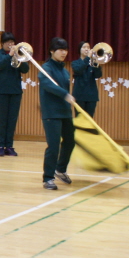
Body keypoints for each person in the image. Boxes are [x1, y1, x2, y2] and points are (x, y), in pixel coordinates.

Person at [39, 37, 77, 191]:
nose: (64, 53)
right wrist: (65, 94)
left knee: (70, 141)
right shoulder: (45, 68)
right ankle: (48, 178)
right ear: (52, 51)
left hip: (65, 112)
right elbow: (47, 85)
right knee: (54, 146)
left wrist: (67, 97)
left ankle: (60, 169)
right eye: (60, 50)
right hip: (51, 113)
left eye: (65, 50)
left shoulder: (65, 71)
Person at [0, 31, 30, 156]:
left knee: (12, 120)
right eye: (8, 42)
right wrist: (9, 55)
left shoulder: (18, 55)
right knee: (3, 119)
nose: (10, 44)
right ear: (2, 43)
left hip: (16, 91)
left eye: (12, 42)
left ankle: (9, 146)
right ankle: (1, 146)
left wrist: (19, 57)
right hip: (1, 91)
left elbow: (25, 70)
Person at [71, 41, 102, 117]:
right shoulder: (75, 63)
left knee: (89, 119)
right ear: (79, 50)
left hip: (91, 96)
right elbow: (78, 70)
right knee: (79, 118)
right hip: (79, 95)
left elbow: (98, 75)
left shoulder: (93, 63)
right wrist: (88, 57)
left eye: (88, 47)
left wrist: (96, 63)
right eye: (84, 47)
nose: (87, 49)